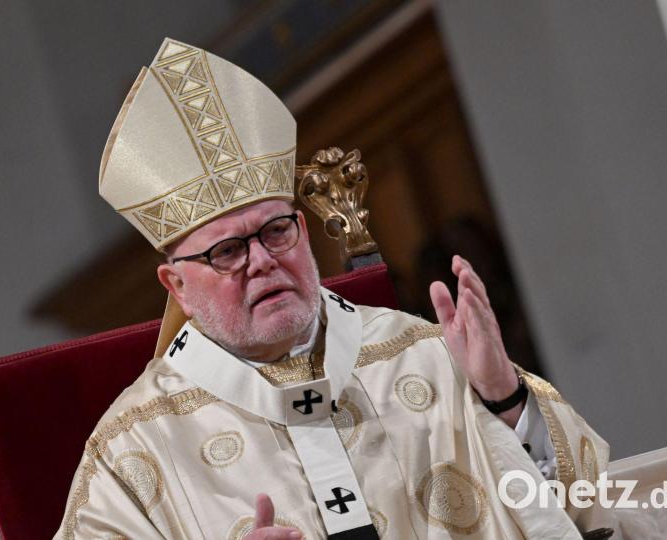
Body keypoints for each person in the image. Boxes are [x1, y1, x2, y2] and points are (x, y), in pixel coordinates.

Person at [55, 38, 611, 539]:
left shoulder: (423, 353)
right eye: (226, 251)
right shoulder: (132, 449)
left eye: (276, 230)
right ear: (176, 284)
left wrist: (504, 399)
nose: (262, 262)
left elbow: (592, 503)